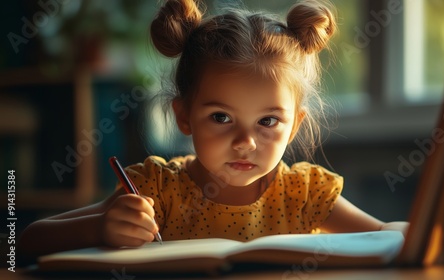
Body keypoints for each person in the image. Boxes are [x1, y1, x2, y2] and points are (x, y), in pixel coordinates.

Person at [19, 0, 408, 264]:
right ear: (184, 116)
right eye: (221, 117)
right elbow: (26, 240)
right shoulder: (157, 189)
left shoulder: (305, 194)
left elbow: (385, 235)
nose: (245, 141)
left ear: (294, 128)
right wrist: (99, 227)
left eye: (268, 121)